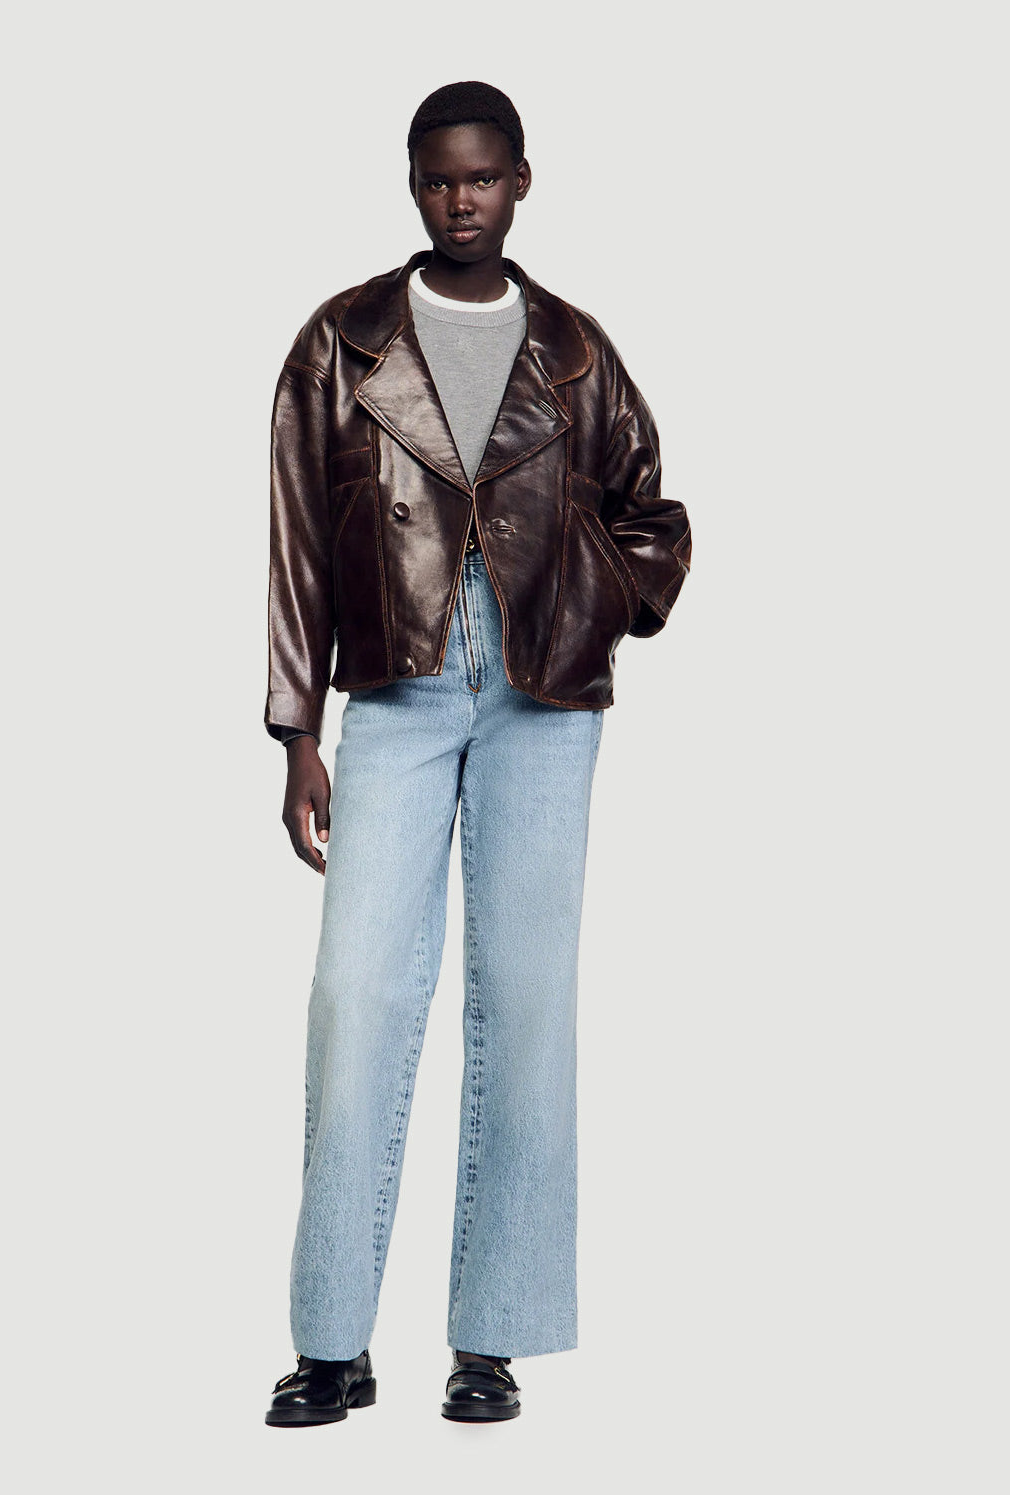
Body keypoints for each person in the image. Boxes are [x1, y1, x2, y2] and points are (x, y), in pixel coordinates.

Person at [262, 81, 691, 1427]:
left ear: (521, 182)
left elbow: (653, 514)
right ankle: (332, 1343)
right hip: (393, 687)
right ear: (414, 185)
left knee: (527, 1001)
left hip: (543, 693)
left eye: (485, 177)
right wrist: (297, 730)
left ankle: (490, 1338)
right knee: (357, 997)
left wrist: (601, 599)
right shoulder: (342, 341)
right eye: (441, 178)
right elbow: (296, 537)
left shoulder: (574, 350)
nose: (463, 199)